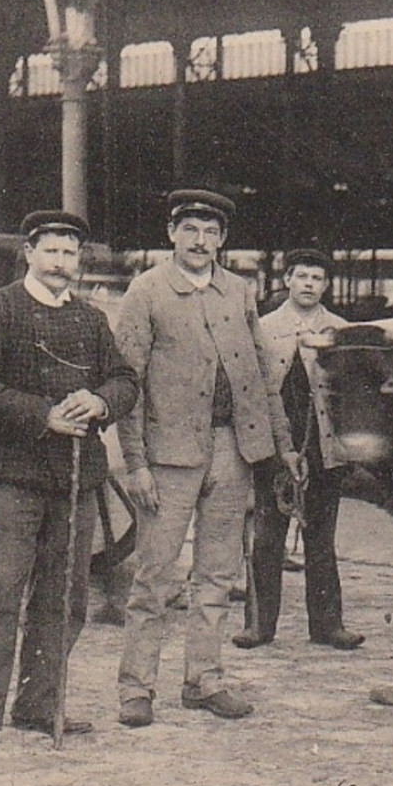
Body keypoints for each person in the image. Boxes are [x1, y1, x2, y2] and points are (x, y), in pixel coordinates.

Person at [0, 211, 139, 752]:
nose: (61, 263)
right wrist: (42, 414)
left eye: (70, 253)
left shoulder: (93, 321)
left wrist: (100, 401)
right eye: (51, 251)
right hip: (10, 477)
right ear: (28, 253)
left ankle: (38, 704)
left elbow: (124, 379)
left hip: (74, 481)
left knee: (64, 600)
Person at [114, 189, 300, 728]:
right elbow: (128, 383)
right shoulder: (146, 291)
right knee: (154, 576)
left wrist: (283, 447)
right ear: (172, 233)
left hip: (233, 451)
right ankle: (136, 688)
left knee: (217, 574)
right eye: (191, 229)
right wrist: (137, 463)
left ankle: (205, 679)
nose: (201, 241)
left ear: (223, 239)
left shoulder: (239, 292)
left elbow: (264, 377)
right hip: (168, 456)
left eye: (212, 232)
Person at [234, 249, 362, 652]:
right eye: (301, 276)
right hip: (276, 448)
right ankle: (258, 625)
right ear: (287, 279)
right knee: (268, 538)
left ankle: (327, 626)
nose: (308, 284)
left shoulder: (342, 330)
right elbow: (252, 389)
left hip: (325, 450)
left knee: (321, 540)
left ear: (326, 286)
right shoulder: (263, 326)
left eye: (317, 278)